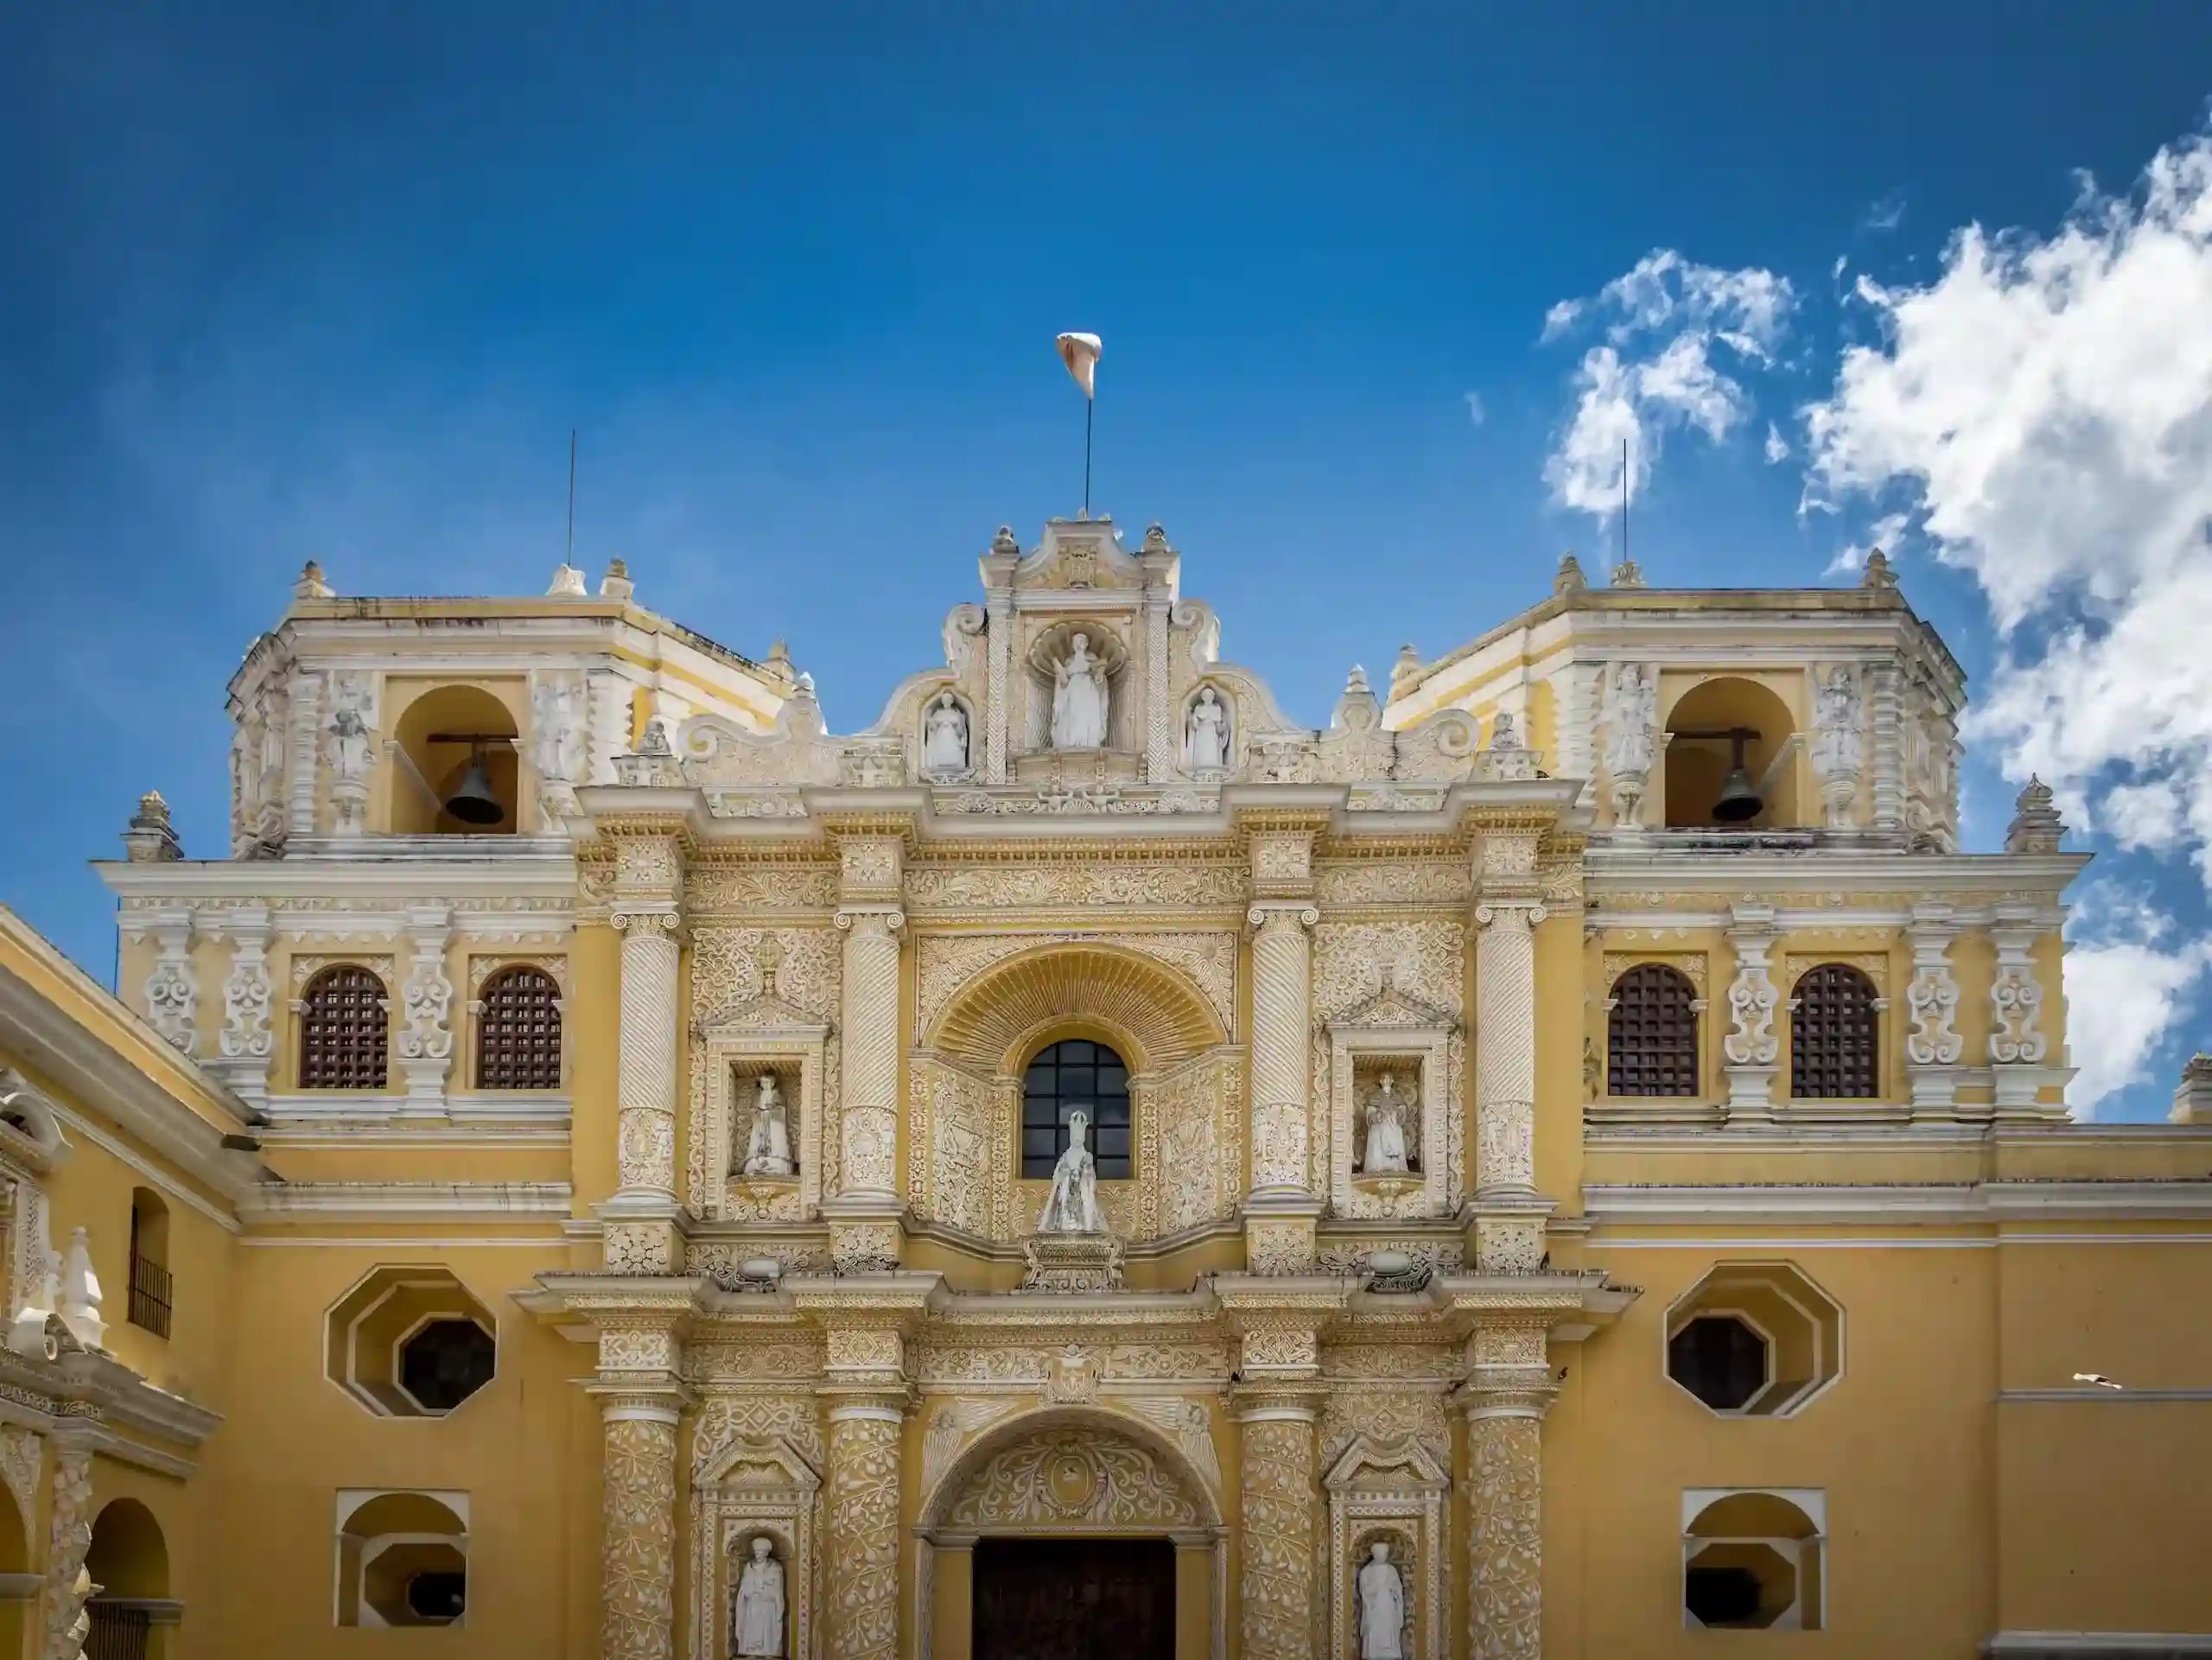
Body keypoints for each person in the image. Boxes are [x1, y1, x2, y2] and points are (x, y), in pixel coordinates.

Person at [1037, 1110, 1103, 1234]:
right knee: (1066, 1208)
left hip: (1081, 1191)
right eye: (1075, 1136)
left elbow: (1091, 1177)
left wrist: (1087, 1169)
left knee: (1083, 1206)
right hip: (1067, 1191)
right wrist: (1063, 1173)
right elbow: (1057, 1175)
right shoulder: (1066, 1155)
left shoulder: (1086, 1155)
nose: (1077, 1139)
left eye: (1079, 1136)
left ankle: (1084, 1225)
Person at [1051, 633, 1110, 750]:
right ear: (1072, 645)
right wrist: (1060, 670)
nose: (1079, 644)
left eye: (1082, 641)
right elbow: (1063, 683)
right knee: (1072, 716)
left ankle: (1090, 743)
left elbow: (1100, 682)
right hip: (1072, 692)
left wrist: (1099, 675)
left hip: (1089, 691)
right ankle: (1070, 742)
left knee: (1089, 715)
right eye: (1076, 641)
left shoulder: (1093, 660)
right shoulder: (1069, 662)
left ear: (1087, 644)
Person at [733, 1536, 785, 1657]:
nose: (758, 1555)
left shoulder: (775, 1569)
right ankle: (750, 1651)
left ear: (766, 1553)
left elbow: (777, 1590)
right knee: (752, 1629)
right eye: (756, 1552)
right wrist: (749, 1591)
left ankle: (769, 1651)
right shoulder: (749, 1568)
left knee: (766, 1630)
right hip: (752, 1605)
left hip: (767, 1606)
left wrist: (766, 1591)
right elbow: (744, 1587)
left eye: (760, 1552)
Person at [1357, 1541, 1406, 1660]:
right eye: (1380, 1553)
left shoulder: (1391, 1570)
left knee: (1389, 1631)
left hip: (1388, 1607)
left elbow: (1398, 1589)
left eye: (1385, 1553)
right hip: (1374, 1608)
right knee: (1374, 1631)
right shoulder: (1366, 1572)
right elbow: (1363, 1590)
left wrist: (1394, 1590)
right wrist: (1373, 1589)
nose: (1383, 1556)